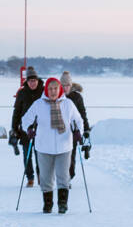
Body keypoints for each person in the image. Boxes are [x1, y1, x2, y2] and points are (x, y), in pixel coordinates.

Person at [20, 77, 85, 214]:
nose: (53, 91)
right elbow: (25, 119)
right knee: (45, 177)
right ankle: (47, 204)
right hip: (43, 147)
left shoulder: (68, 104)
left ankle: (62, 204)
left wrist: (78, 131)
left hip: (64, 146)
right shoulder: (39, 104)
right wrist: (29, 129)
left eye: (55, 88)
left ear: (60, 89)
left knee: (63, 176)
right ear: (46, 90)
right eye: (50, 89)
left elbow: (78, 120)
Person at [11, 68, 45, 186]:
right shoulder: (22, 93)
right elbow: (17, 112)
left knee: (40, 155)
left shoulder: (44, 91)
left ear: (38, 80)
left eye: (34, 80)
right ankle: (30, 177)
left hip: (41, 129)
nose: (33, 83)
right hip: (25, 129)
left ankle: (41, 176)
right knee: (27, 155)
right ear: (27, 82)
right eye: (30, 81)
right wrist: (14, 128)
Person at [61, 72, 91, 180]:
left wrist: (86, 129)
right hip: (59, 130)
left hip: (73, 131)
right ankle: (62, 176)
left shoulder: (77, 97)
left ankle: (69, 176)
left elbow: (83, 113)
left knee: (71, 155)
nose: (65, 88)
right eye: (63, 85)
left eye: (67, 85)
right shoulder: (56, 96)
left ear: (71, 85)